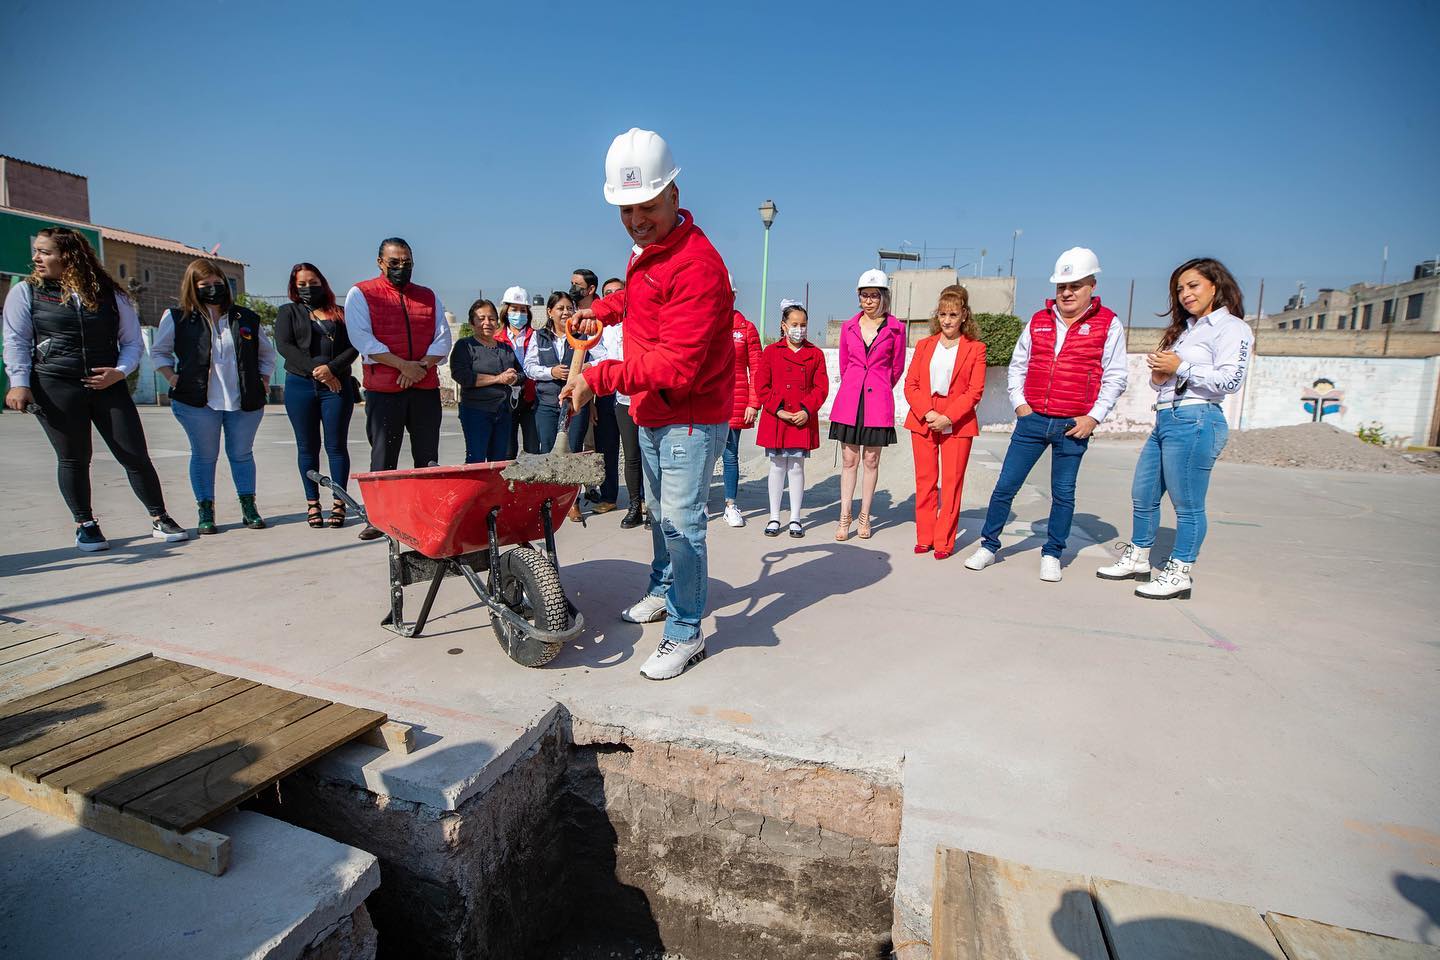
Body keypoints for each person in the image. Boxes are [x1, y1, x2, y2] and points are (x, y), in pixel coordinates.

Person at [562, 127, 735, 681]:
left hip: (688, 415)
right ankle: (663, 590)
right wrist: (605, 311)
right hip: (653, 412)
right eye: (626, 210)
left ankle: (686, 631)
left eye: (648, 208)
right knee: (660, 516)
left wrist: (600, 375)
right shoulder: (651, 253)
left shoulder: (698, 266)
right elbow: (640, 298)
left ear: (674, 197)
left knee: (684, 526)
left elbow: (676, 365)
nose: (637, 220)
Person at [2, 227, 187, 550]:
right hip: (55, 384)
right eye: (37, 251)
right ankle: (85, 524)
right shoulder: (26, 292)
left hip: (108, 385)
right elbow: (15, 340)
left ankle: (160, 517)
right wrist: (19, 383)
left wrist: (120, 372)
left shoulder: (110, 294)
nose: (36, 258)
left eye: (45, 251)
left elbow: (131, 342)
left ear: (68, 256)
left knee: (134, 453)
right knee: (74, 457)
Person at [964, 247, 1128, 581]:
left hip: (1073, 425)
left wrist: (1093, 417)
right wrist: (1020, 404)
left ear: (1092, 286)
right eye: (1061, 286)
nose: (1067, 292)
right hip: (1033, 419)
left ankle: (1052, 552)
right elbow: (1018, 365)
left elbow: (1115, 376)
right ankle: (989, 545)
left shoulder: (1108, 324)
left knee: (1063, 494)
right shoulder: (1039, 321)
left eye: (1075, 285)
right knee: (1005, 486)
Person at [1097, 258, 1253, 599]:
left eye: (1193, 285)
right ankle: (1138, 557)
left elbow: (1230, 380)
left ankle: (1180, 571)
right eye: (1180, 289)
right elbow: (1170, 381)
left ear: (1216, 286)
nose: (1185, 294)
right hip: (1166, 418)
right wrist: (1161, 376)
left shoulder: (1232, 328)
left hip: (1197, 420)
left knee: (1188, 505)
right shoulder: (1188, 330)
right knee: (1144, 494)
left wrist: (1181, 365)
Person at [153, 258, 277, 534]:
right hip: (197, 402)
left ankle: (249, 508)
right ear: (193, 287)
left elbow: (267, 354)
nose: (213, 288)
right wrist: (172, 377)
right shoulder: (178, 317)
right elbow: (158, 352)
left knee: (242, 454)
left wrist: (265, 379)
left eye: (217, 283)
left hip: (243, 401)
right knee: (204, 456)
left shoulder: (245, 317)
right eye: (205, 284)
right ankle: (206, 512)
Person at [344, 238, 451, 541]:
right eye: (395, 262)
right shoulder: (362, 293)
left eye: (407, 262)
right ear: (380, 262)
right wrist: (404, 366)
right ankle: (378, 518)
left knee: (427, 456)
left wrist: (420, 367)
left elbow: (442, 338)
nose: (401, 267)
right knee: (383, 455)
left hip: (423, 386)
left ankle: (427, 513)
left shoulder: (428, 296)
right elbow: (363, 339)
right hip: (384, 390)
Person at [903, 285, 986, 559]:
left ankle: (944, 540)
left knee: (951, 482)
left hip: (957, 418)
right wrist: (928, 413)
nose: (947, 320)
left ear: (964, 315)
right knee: (925, 480)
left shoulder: (975, 349)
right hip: (924, 415)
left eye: (952, 314)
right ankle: (924, 536)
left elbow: (975, 391)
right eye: (942, 314)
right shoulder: (925, 346)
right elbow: (911, 384)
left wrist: (948, 417)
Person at [274, 262, 357, 529]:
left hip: (336, 387)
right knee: (306, 446)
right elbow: (285, 346)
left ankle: (339, 501)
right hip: (300, 387)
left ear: (323, 282)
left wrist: (332, 369)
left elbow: (354, 346)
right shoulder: (288, 312)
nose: (308, 288)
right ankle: (312, 502)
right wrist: (317, 371)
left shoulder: (340, 314)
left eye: (313, 282)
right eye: (302, 284)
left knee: (336, 446)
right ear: (294, 287)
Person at [829, 269, 907, 541]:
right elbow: (844, 363)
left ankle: (865, 516)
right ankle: (844, 517)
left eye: (874, 295)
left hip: (878, 401)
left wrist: (880, 387)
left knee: (871, 460)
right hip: (850, 400)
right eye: (864, 295)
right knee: (849, 460)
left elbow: (896, 368)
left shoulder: (897, 329)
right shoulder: (848, 327)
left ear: (884, 296)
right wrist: (855, 384)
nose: (869, 301)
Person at [754, 302, 828, 538]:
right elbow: (761, 386)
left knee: (796, 467)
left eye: (803, 325)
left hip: (801, 418)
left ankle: (795, 518)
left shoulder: (815, 354)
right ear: (783, 326)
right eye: (794, 324)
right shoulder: (771, 352)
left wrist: (807, 410)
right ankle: (774, 516)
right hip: (778, 418)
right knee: (776, 467)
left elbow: (821, 387)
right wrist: (778, 410)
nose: (799, 329)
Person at [602, 278, 650, 530]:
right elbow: (599, 357)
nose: (612, 297)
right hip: (622, 400)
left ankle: (653, 508)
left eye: (617, 293)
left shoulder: (644, 322)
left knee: (651, 456)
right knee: (631, 456)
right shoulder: (605, 329)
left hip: (647, 398)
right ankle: (634, 505)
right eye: (607, 294)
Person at [449, 298, 521, 463]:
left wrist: (514, 378)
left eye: (491, 318)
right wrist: (498, 379)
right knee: (476, 458)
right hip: (476, 410)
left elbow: (521, 374)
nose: (487, 322)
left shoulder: (505, 348)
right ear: (471, 323)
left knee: (499, 460)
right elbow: (463, 376)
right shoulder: (465, 346)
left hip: (503, 411)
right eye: (481, 318)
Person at [720, 278, 762, 528]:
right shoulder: (702, 323)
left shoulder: (745, 327)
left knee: (730, 455)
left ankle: (730, 505)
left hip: (734, 401)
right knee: (701, 458)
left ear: (734, 295)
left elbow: (756, 368)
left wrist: (753, 403)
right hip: (705, 403)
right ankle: (700, 503)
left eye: (728, 293)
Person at [498, 286, 539, 457]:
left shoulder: (537, 336)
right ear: (506, 311)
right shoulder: (496, 338)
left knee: (532, 449)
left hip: (531, 399)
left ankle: (532, 485)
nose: (518, 313)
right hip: (506, 401)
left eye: (523, 309)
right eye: (514, 309)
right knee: (507, 450)